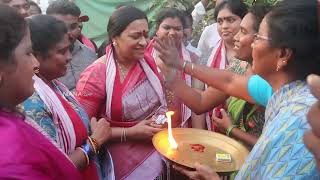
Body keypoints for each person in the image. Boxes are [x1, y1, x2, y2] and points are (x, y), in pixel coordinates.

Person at [156, 0, 320, 178]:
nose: (241, 40)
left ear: (283, 54)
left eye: (257, 37)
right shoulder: (279, 89)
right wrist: (179, 65)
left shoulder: (298, 120)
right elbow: (229, 81)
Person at [76, 6, 166, 180]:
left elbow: (160, 103)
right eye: (135, 36)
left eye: (145, 35)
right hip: (118, 165)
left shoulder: (148, 64)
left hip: (157, 152)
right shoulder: (96, 74)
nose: (144, 42)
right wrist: (130, 132)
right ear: (114, 38)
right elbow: (85, 129)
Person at [19, 15, 114, 180]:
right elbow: (55, 169)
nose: (69, 57)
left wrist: (91, 127)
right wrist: (95, 141)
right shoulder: (32, 101)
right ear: (36, 56)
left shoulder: (54, 85)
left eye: (69, 49)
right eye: (61, 51)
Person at [0, 5, 80, 179]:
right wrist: (94, 143)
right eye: (28, 53)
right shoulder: (12, 164)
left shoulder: (56, 87)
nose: (35, 64)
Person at [146, 7, 199, 128]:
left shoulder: (192, 60)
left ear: (183, 32)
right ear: (157, 30)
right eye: (166, 27)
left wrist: (197, 134)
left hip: (183, 127)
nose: (172, 32)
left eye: (177, 29)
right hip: (148, 128)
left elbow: (198, 98)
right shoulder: (143, 56)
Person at [200, 0, 248, 131]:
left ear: (244, 21)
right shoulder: (208, 56)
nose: (224, 26)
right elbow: (199, 96)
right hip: (213, 130)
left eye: (230, 20)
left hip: (247, 133)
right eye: (220, 21)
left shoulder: (253, 58)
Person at [46, 0, 97, 91]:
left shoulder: (90, 55)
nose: (68, 33)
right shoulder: (39, 62)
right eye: (61, 28)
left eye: (73, 27)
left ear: (79, 25)